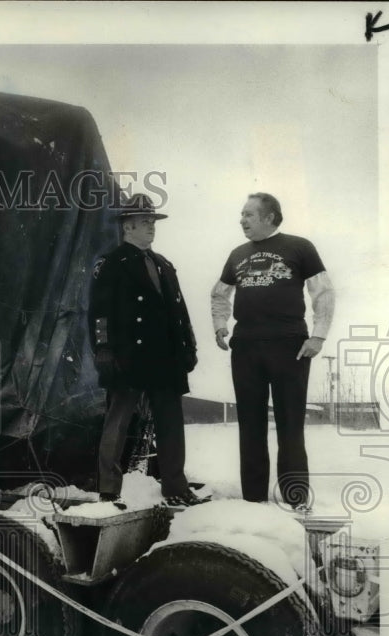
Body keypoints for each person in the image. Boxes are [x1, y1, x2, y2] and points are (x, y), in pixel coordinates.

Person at [210, 192, 335, 514]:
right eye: (241, 214)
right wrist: (220, 326)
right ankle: (254, 503)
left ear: (270, 217)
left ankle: (295, 502)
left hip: (289, 346)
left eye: (249, 214)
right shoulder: (237, 254)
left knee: (290, 427)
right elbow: (220, 294)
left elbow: (323, 292)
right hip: (246, 346)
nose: (242, 220)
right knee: (250, 427)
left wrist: (318, 335)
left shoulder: (299, 247)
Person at [89, 194, 205, 508]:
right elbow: (99, 312)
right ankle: (109, 491)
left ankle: (175, 488)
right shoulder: (112, 263)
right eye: (144, 223)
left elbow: (179, 311)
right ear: (127, 227)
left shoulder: (164, 265)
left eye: (152, 222)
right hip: (128, 355)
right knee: (117, 421)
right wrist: (103, 348)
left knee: (171, 424)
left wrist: (188, 346)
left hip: (165, 358)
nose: (151, 229)